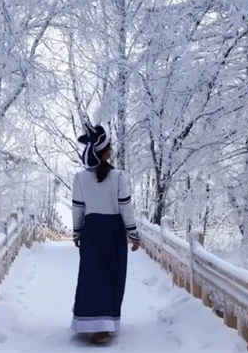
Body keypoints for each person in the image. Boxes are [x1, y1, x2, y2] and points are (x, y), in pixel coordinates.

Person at [71, 123, 140, 345]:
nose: (111, 150)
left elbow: (78, 208)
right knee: (112, 275)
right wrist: (133, 233)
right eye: (109, 148)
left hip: (91, 230)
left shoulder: (80, 178)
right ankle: (105, 326)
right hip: (113, 231)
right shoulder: (118, 177)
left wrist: (77, 232)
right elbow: (125, 207)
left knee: (91, 276)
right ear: (104, 152)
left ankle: (89, 322)